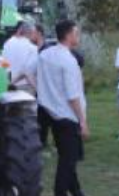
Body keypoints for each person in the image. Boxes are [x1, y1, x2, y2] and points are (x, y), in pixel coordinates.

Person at [37, 20, 88, 196]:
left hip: (50, 112)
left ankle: (77, 192)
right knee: (68, 161)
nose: (78, 36)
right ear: (68, 35)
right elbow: (73, 95)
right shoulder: (69, 61)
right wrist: (82, 121)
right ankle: (60, 192)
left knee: (68, 158)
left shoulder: (45, 54)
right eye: (76, 32)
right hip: (67, 116)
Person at [4, 22, 39, 94]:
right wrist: (37, 89)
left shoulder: (7, 44)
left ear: (20, 30)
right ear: (31, 33)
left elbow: (3, 65)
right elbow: (28, 72)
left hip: (8, 85)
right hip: (25, 87)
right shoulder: (33, 48)